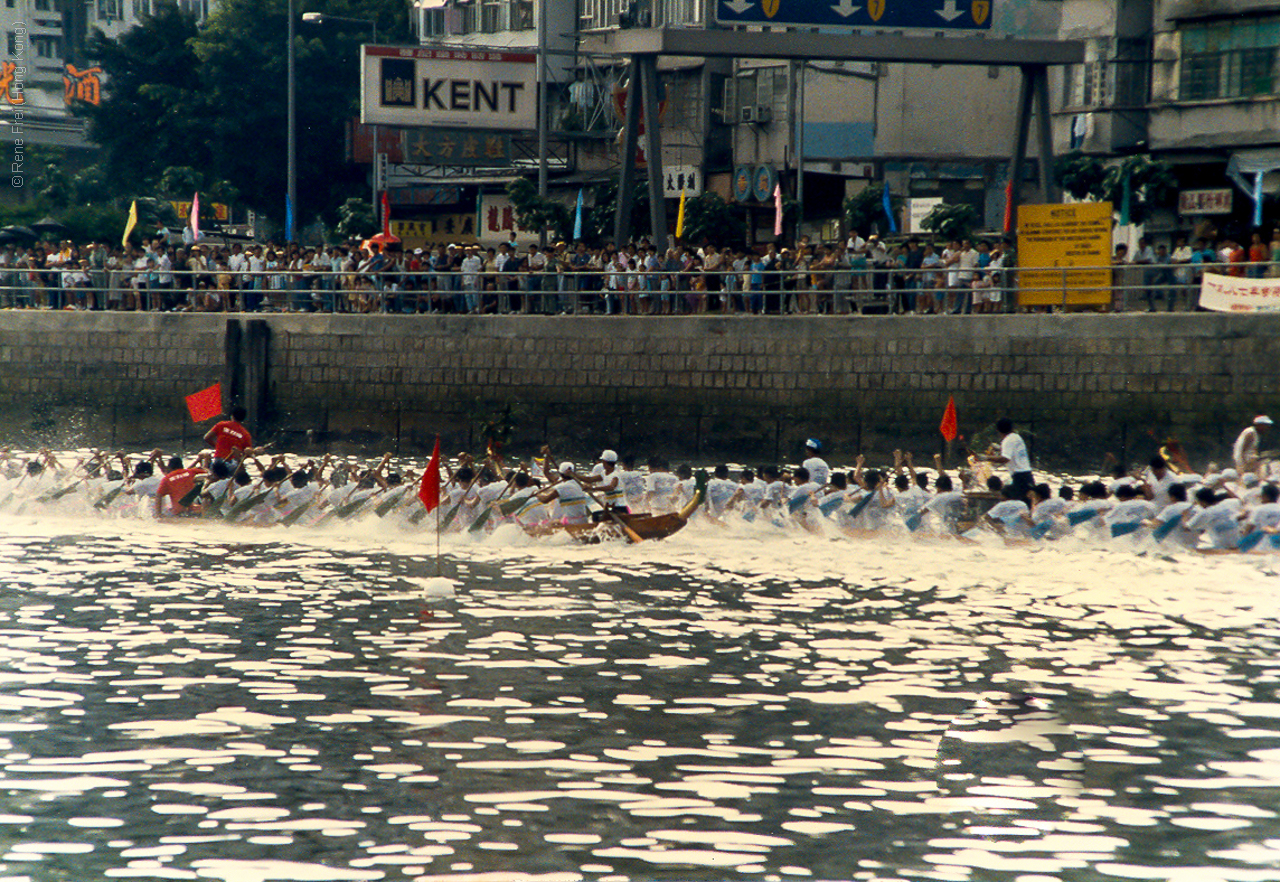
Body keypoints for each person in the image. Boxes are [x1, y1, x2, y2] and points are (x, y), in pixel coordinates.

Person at [980, 418, 1034, 499]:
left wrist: (985, 458)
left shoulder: (1007, 440)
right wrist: (999, 448)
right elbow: (1012, 451)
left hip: (1019, 477)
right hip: (1027, 475)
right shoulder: (1017, 437)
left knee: (1020, 503)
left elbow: (1005, 458)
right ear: (1012, 428)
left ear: (998, 431)